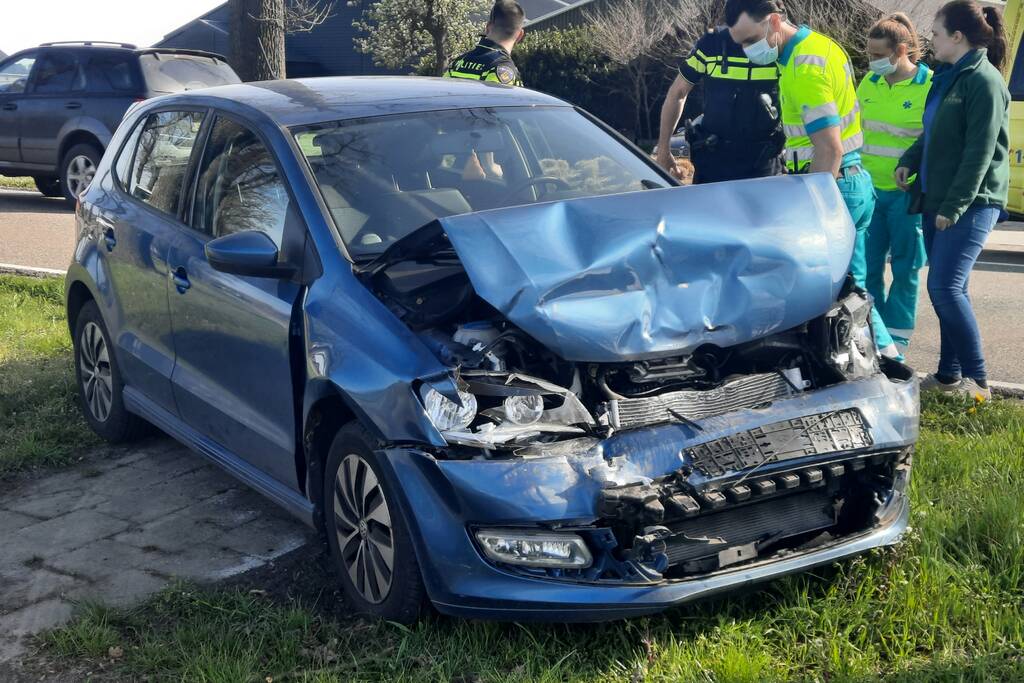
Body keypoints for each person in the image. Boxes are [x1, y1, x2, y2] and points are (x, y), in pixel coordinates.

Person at [724, 0, 900, 359]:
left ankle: (888, 363)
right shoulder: (820, 46)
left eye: (751, 39)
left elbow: (828, 148)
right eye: (740, 43)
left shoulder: (803, 66)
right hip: (853, 182)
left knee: (846, 292)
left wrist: (818, 210)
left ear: (774, 21)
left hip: (832, 185)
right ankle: (885, 359)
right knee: (855, 287)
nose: (748, 50)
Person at [895, 0, 1009, 400]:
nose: (931, 42)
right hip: (937, 198)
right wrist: (909, 160)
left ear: (957, 37)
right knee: (949, 290)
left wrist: (954, 206)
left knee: (945, 288)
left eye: (937, 34)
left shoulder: (984, 81)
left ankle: (977, 385)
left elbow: (979, 151)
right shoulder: (948, 77)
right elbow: (933, 133)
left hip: (971, 202)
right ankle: (948, 378)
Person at [857, 13, 932, 359]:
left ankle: (897, 342)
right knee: (867, 270)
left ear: (901, 50)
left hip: (907, 196)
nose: (871, 61)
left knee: (906, 268)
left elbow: (932, 139)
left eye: (877, 54)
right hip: (869, 194)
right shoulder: (868, 83)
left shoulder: (929, 85)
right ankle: (873, 334)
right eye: (869, 54)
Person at [656, 26, 785, 184]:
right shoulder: (711, 44)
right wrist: (663, 150)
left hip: (764, 164)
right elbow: (677, 93)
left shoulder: (779, 44)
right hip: (713, 164)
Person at [445, 0, 525, 86]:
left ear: (487, 27)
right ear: (520, 35)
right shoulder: (503, 69)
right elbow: (496, 98)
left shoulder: (457, 63)